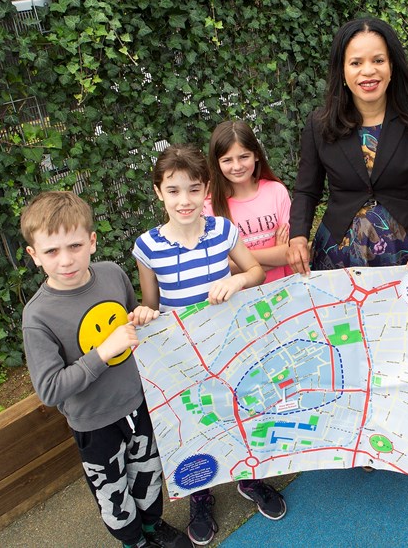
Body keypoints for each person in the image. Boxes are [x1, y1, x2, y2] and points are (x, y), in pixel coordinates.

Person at [131, 145, 285, 546]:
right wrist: (144, 314)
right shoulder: (147, 247)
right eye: (174, 190)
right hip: (181, 359)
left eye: (194, 189)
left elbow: (254, 271)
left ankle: (250, 478)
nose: (185, 200)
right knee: (194, 423)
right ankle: (201, 494)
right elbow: (151, 305)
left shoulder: (223, 232)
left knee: (238, 411)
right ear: (158, 192)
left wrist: (236, 280)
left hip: (228, 348)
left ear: (207, 192)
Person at [20, 191, 191, 548]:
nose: (66, 260)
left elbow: (130, 326)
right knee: (112, 490)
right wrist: (101, 353)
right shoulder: (37, 317)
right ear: (34, 256)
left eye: (75, 246)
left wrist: (143, 316)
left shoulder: (113, 275)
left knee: (149, 472)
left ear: (92, 242)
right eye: (51, 251)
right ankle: (133, 541)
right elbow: (50, 390)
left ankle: (152, 526)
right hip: (94, 423)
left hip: (137, 403)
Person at [287, 17, 408, 274]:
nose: (368, 71)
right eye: (356, 63)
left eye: (378, 60)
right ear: (341, 70)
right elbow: (307, 192)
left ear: (392, 66)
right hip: (338, 254)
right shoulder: (320, 125)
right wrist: (297, 236)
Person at [205, 120, 293, 283]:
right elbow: (217, 265)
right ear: (217, 163)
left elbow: (290, 253)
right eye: (227, 160)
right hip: (238, 300)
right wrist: (276, 253)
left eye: (244, 157)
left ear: (256, 154)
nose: (237, 166)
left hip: (284, 291)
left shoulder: (276, 191)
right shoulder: (209, 207)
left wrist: (237, 259)